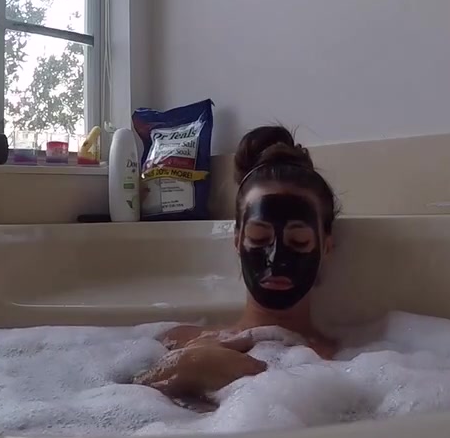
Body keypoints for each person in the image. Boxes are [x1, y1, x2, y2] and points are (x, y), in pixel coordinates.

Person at [134, 125, 341, 400]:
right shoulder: (178, 341)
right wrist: (189, 366)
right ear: (237, 240)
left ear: (326, 246)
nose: (275, 259)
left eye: (299, 241)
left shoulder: (344, 366)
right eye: (258, 238)